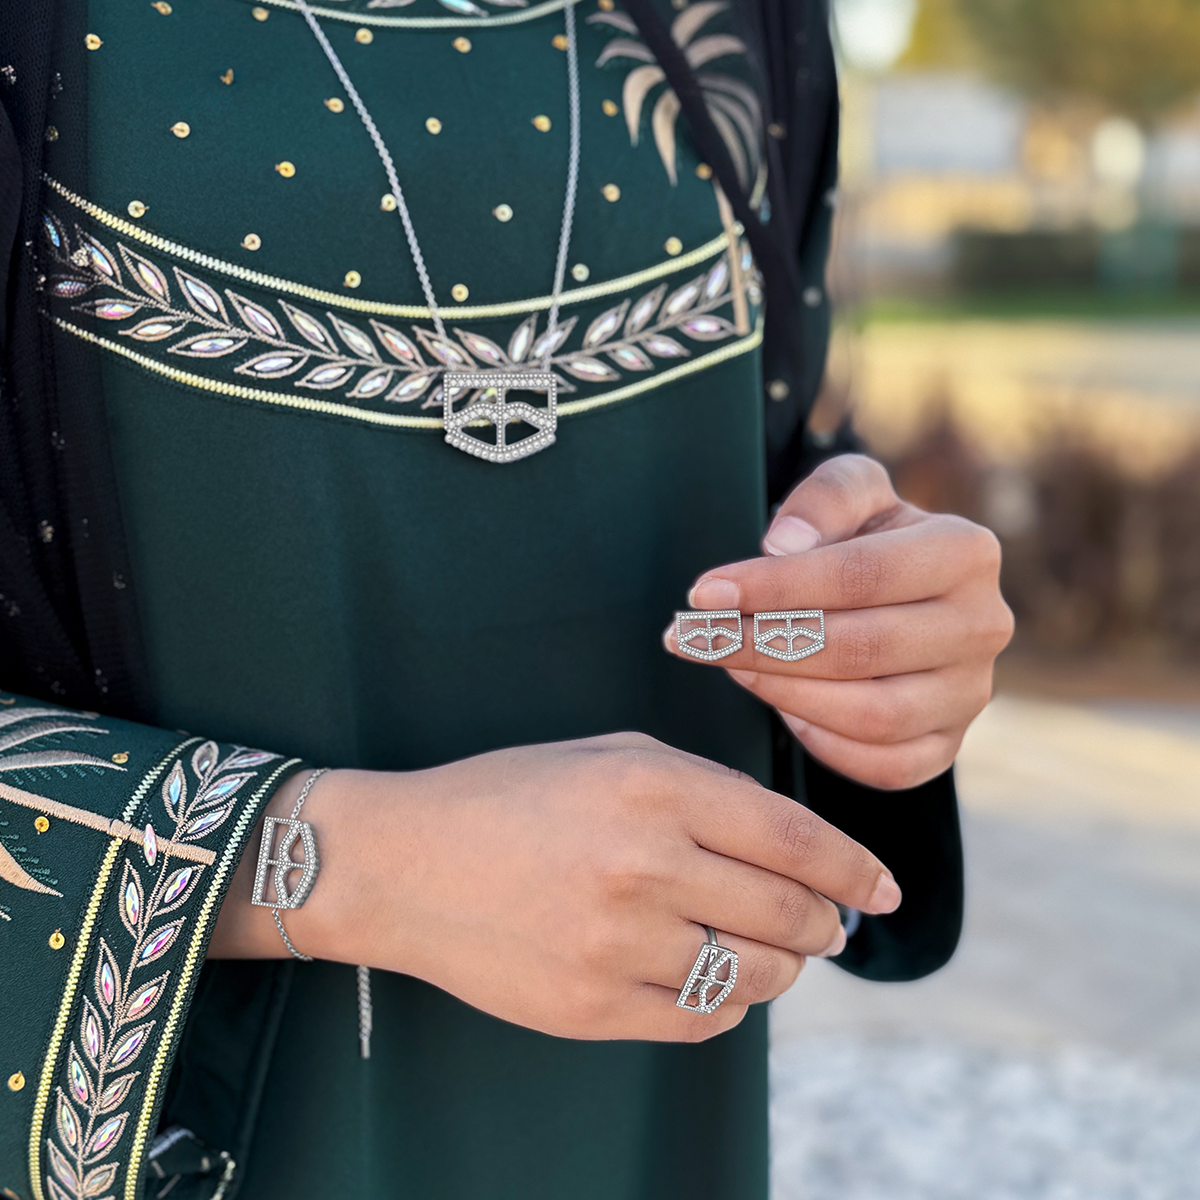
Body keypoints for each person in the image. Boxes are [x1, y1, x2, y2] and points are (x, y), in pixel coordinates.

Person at [0, 0, 1012, 1197]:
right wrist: (338, 865)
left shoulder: (748, 24)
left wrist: (879, 644)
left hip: (652, 1126)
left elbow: (768, 465)